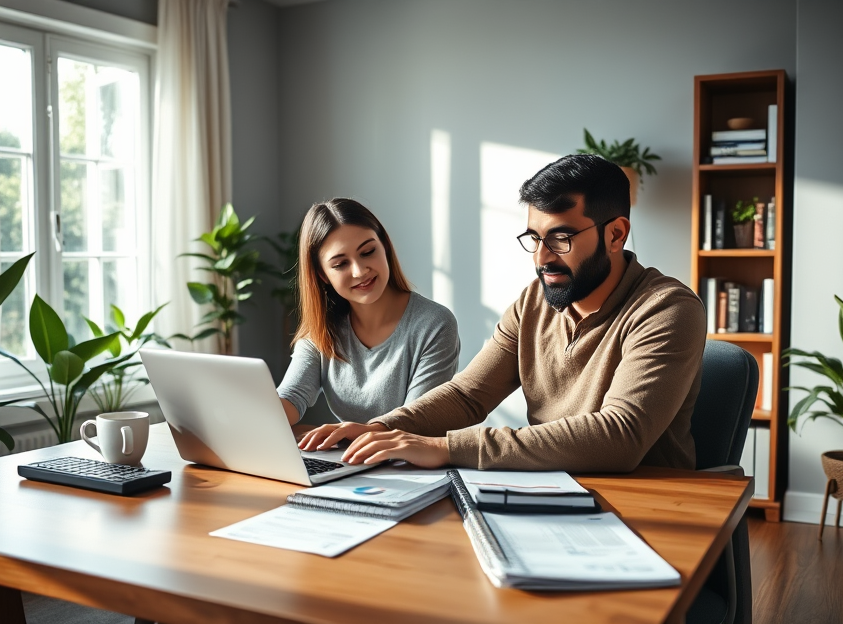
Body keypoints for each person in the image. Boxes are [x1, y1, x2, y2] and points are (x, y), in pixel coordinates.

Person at [298, 155, 706, 473]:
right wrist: (380, 428)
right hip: (549, 493)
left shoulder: (666, 309)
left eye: (561, 238)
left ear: (615, 234)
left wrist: (445, 447)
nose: (542, 258)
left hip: (647, 507)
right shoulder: (533, 303)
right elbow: (468, 395)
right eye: (534, 238)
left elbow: (621, 436)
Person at [277, 198, 460, 427]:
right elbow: (291, 397)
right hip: (349, 450)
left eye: (368, 252)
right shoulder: (321, 331)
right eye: (340, 264)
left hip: (408, 451)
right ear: (323, 275)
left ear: (384, 247)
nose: (360, 271)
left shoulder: (435, 324)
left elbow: (416, 422)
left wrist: (355, 432)